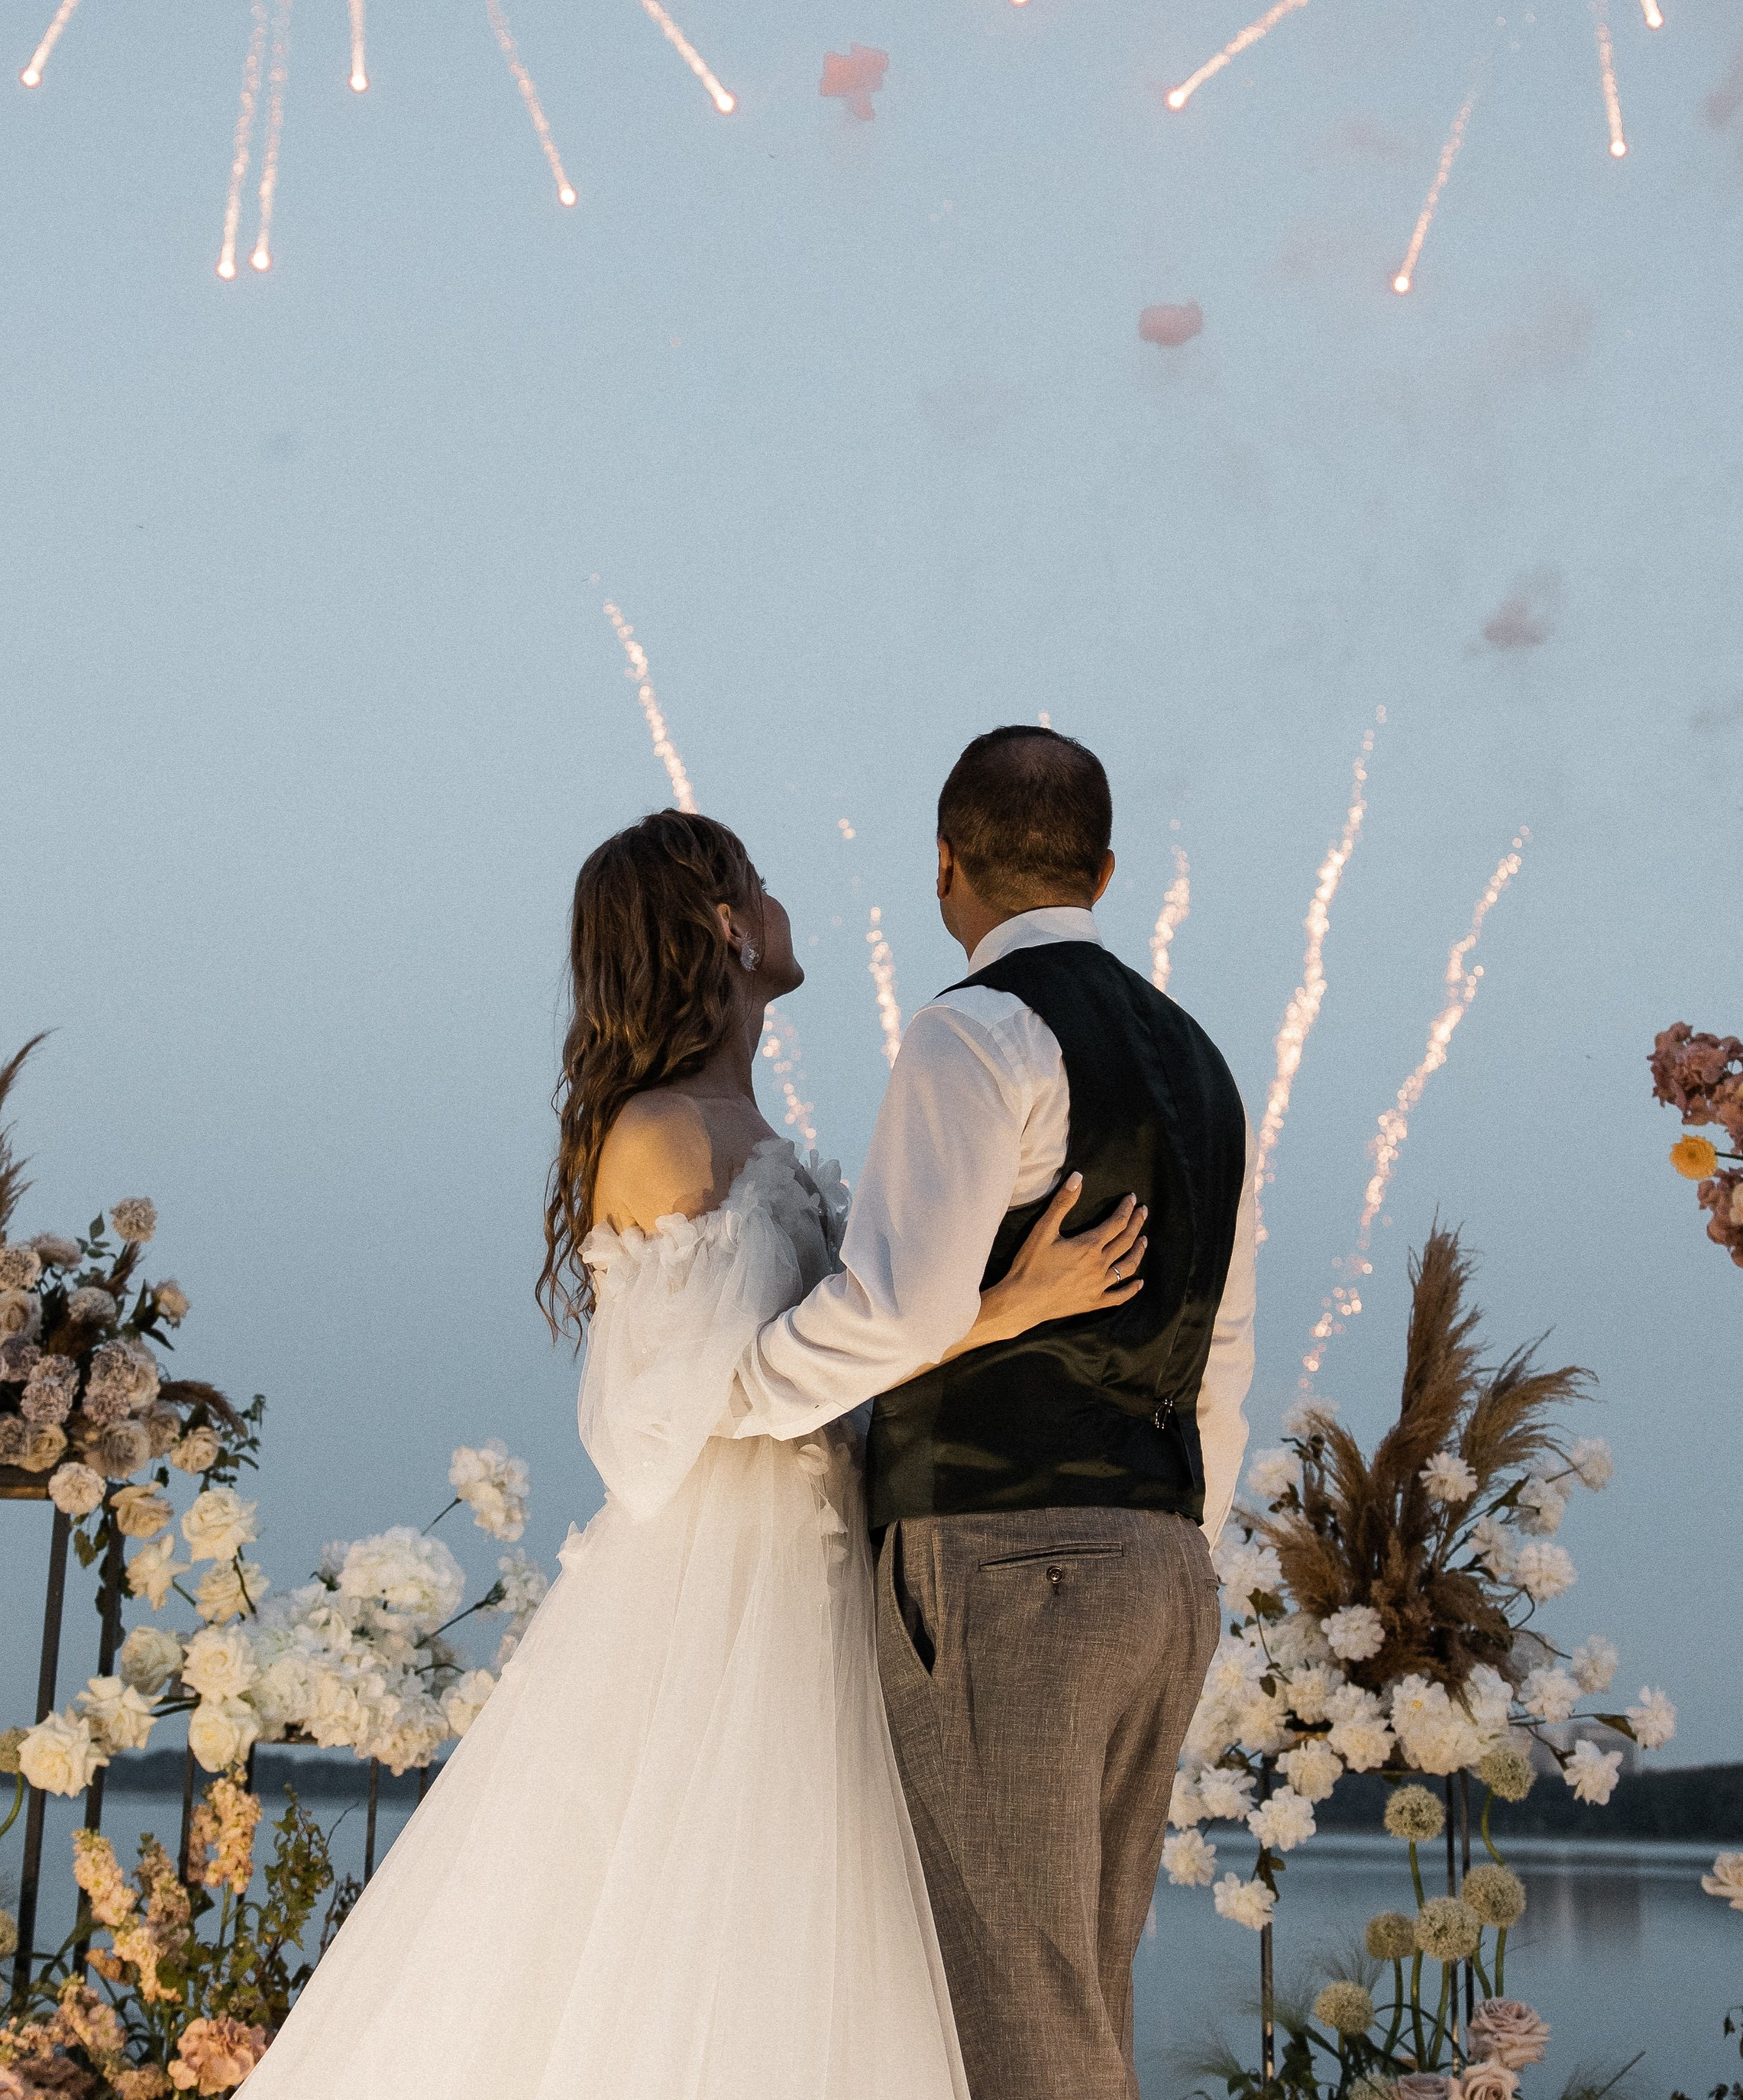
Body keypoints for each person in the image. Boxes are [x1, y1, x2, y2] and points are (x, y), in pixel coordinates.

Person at [245, 807, 1145, 2099]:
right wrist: (1003, 1309)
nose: (782, 908)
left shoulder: (742, 1123)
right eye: (760, 887)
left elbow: (837, 1354)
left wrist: (994, 1304)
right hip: (732, 1581)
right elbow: (674, 1413)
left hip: (830, 1553)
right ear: (726, 927)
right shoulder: (665, 1134)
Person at [729, 726, 1255, 2100]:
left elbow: (900, 1310)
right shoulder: (1205, 1067)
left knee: (1014, 2015)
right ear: (1106, 868)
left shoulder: (976, 1032)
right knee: (1080, 1993)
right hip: (1161, 1561)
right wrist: (1179, 1534)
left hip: (1005, 1563)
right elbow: (1228, 1347)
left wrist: (736, 1393)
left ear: (947, 866)